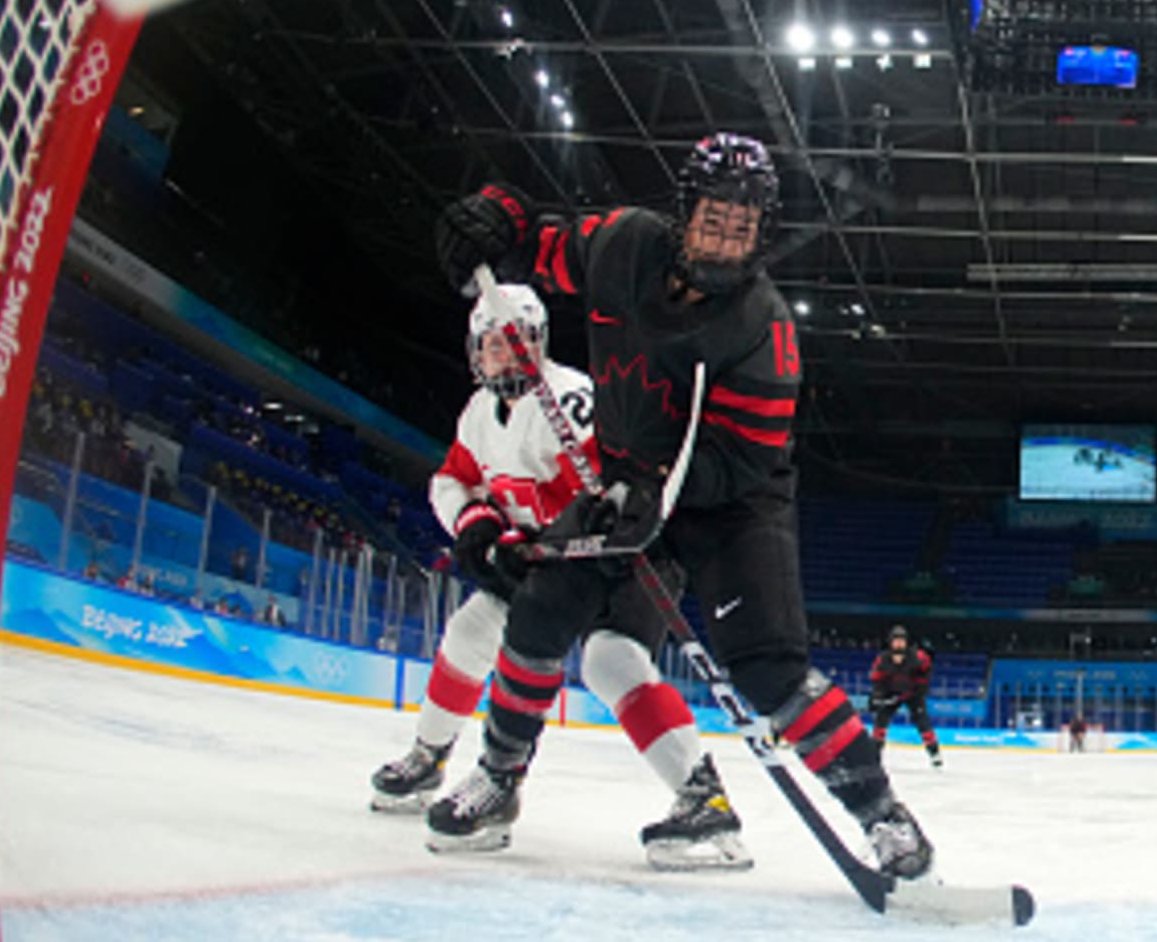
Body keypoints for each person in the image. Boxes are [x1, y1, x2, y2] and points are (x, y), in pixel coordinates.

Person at [427, 133, 934, 880]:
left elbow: (743, 457)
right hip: (622, 485)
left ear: (761, 233)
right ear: (685, 212)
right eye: (715, 217)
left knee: (771, 674)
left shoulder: (765, 326)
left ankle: (885, 818)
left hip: (731, 504)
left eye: (744, 224)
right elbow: (539, 241)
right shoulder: (622, 243)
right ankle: (499, 779)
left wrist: (656, 496)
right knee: (538, 611)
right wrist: (492, 215)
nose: (727, 236)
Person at [368, 284, 752, 870]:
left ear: (539, 343)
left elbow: (615, 492)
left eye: (516, 342)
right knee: (473, 629)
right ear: (476, 351)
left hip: (622, 556)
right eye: (493, 345)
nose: (505, 354)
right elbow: (453, 481)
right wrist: (476, 525)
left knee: (611, 662)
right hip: (539, 561)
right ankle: (430, 756)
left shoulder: (573, 399)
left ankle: (705, 800)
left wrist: (544, 538)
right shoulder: (478, 414)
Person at [869, 625, 943, 769]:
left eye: (901, 640)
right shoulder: (883, 659)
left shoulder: (917, 657)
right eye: (896, 641)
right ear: (890, 642)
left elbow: (927, 669)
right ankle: (875, 756)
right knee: (880, 721)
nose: (899, 644)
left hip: (913, 693)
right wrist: (877, 696)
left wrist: (920, 688)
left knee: (922, 721)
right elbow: (876, 679)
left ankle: (934, 753)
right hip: (890, 693)